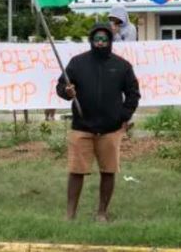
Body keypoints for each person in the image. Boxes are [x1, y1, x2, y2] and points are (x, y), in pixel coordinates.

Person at [56, 23, 140, 222]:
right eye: (96, 39)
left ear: (110, 41)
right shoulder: (77, 63)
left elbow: (133, 95)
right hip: (82, 127)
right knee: (76, 171)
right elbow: (61, 86)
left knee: (108, 171)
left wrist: (123, 116)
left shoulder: (122, 66)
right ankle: (70, 214)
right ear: (91, 41)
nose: (100, 43)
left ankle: (102, 212)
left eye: (104, 39)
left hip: (110, 130)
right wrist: (66, 92)